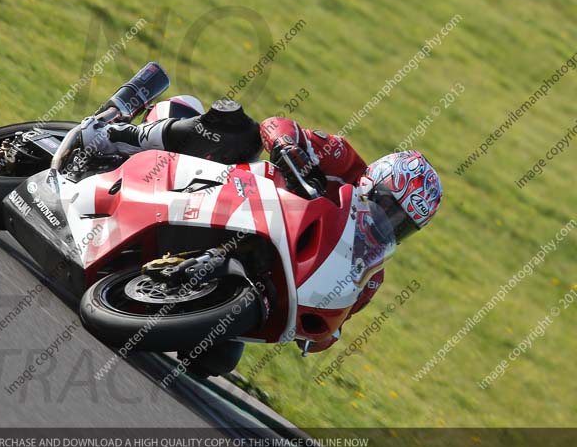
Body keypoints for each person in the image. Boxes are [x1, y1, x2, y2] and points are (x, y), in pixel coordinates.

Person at [84, 96, 443, 352]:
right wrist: (290, 150)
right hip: (236, 190)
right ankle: (117, 135)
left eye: (403, 225)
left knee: (218, 358)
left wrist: (322, 332)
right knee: (239, 132)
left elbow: (323, 335)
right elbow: (276, 125)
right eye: (388, 207)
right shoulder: (345, 161)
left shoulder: (371, 273)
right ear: (374, 181)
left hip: (264, 268)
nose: (389, 223)